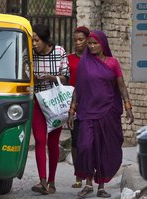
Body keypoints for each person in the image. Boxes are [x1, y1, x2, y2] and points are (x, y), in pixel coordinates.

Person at [67, 30, 134, 199]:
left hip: (108, 111)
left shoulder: (113, 63)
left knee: (103, 148)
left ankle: (101, 186)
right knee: (85, 146)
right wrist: (71, 111)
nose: (91, 46)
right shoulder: (84, 63)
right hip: (87, 112)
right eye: (89, 43)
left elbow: (121, 86)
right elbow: (78, 89)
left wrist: (128, 107)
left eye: (94, 43)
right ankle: (88, 183)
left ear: (103, 44)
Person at [31, 24, 70, 195]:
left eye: (36, 40)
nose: (33, 44)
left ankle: (52, 181)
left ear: (45, 40)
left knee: (53, 143)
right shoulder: (30, 54)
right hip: (37, 101)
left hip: (54, 102)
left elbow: (66, 76)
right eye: (32, 40)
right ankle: (42, 181)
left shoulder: (59, 52)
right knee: (40, 140)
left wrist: (51, 78)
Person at [67, 26, 90, 189]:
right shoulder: (69, 59)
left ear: (88, 40)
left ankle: (89, 174)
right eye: (75, 40)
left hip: (90, 103)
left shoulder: (93, 59)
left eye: (81, 39)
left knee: (88, 142)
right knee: (75, 141)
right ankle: (78, 175)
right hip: (72, 104)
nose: (78, 43)